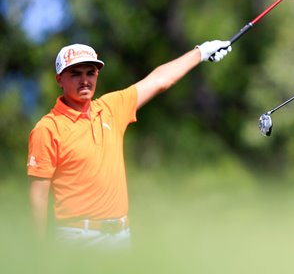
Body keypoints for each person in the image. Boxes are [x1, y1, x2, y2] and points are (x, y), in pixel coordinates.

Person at [27, 40, 231, 248]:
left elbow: (160, 80)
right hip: (79, 238)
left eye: (90, 73)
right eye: (75, 74)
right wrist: (41, 252)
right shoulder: (48, 128)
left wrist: (201, 52)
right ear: (60, 79)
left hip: (121, 235)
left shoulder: (111, 108)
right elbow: (38, 197)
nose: (85, 80)